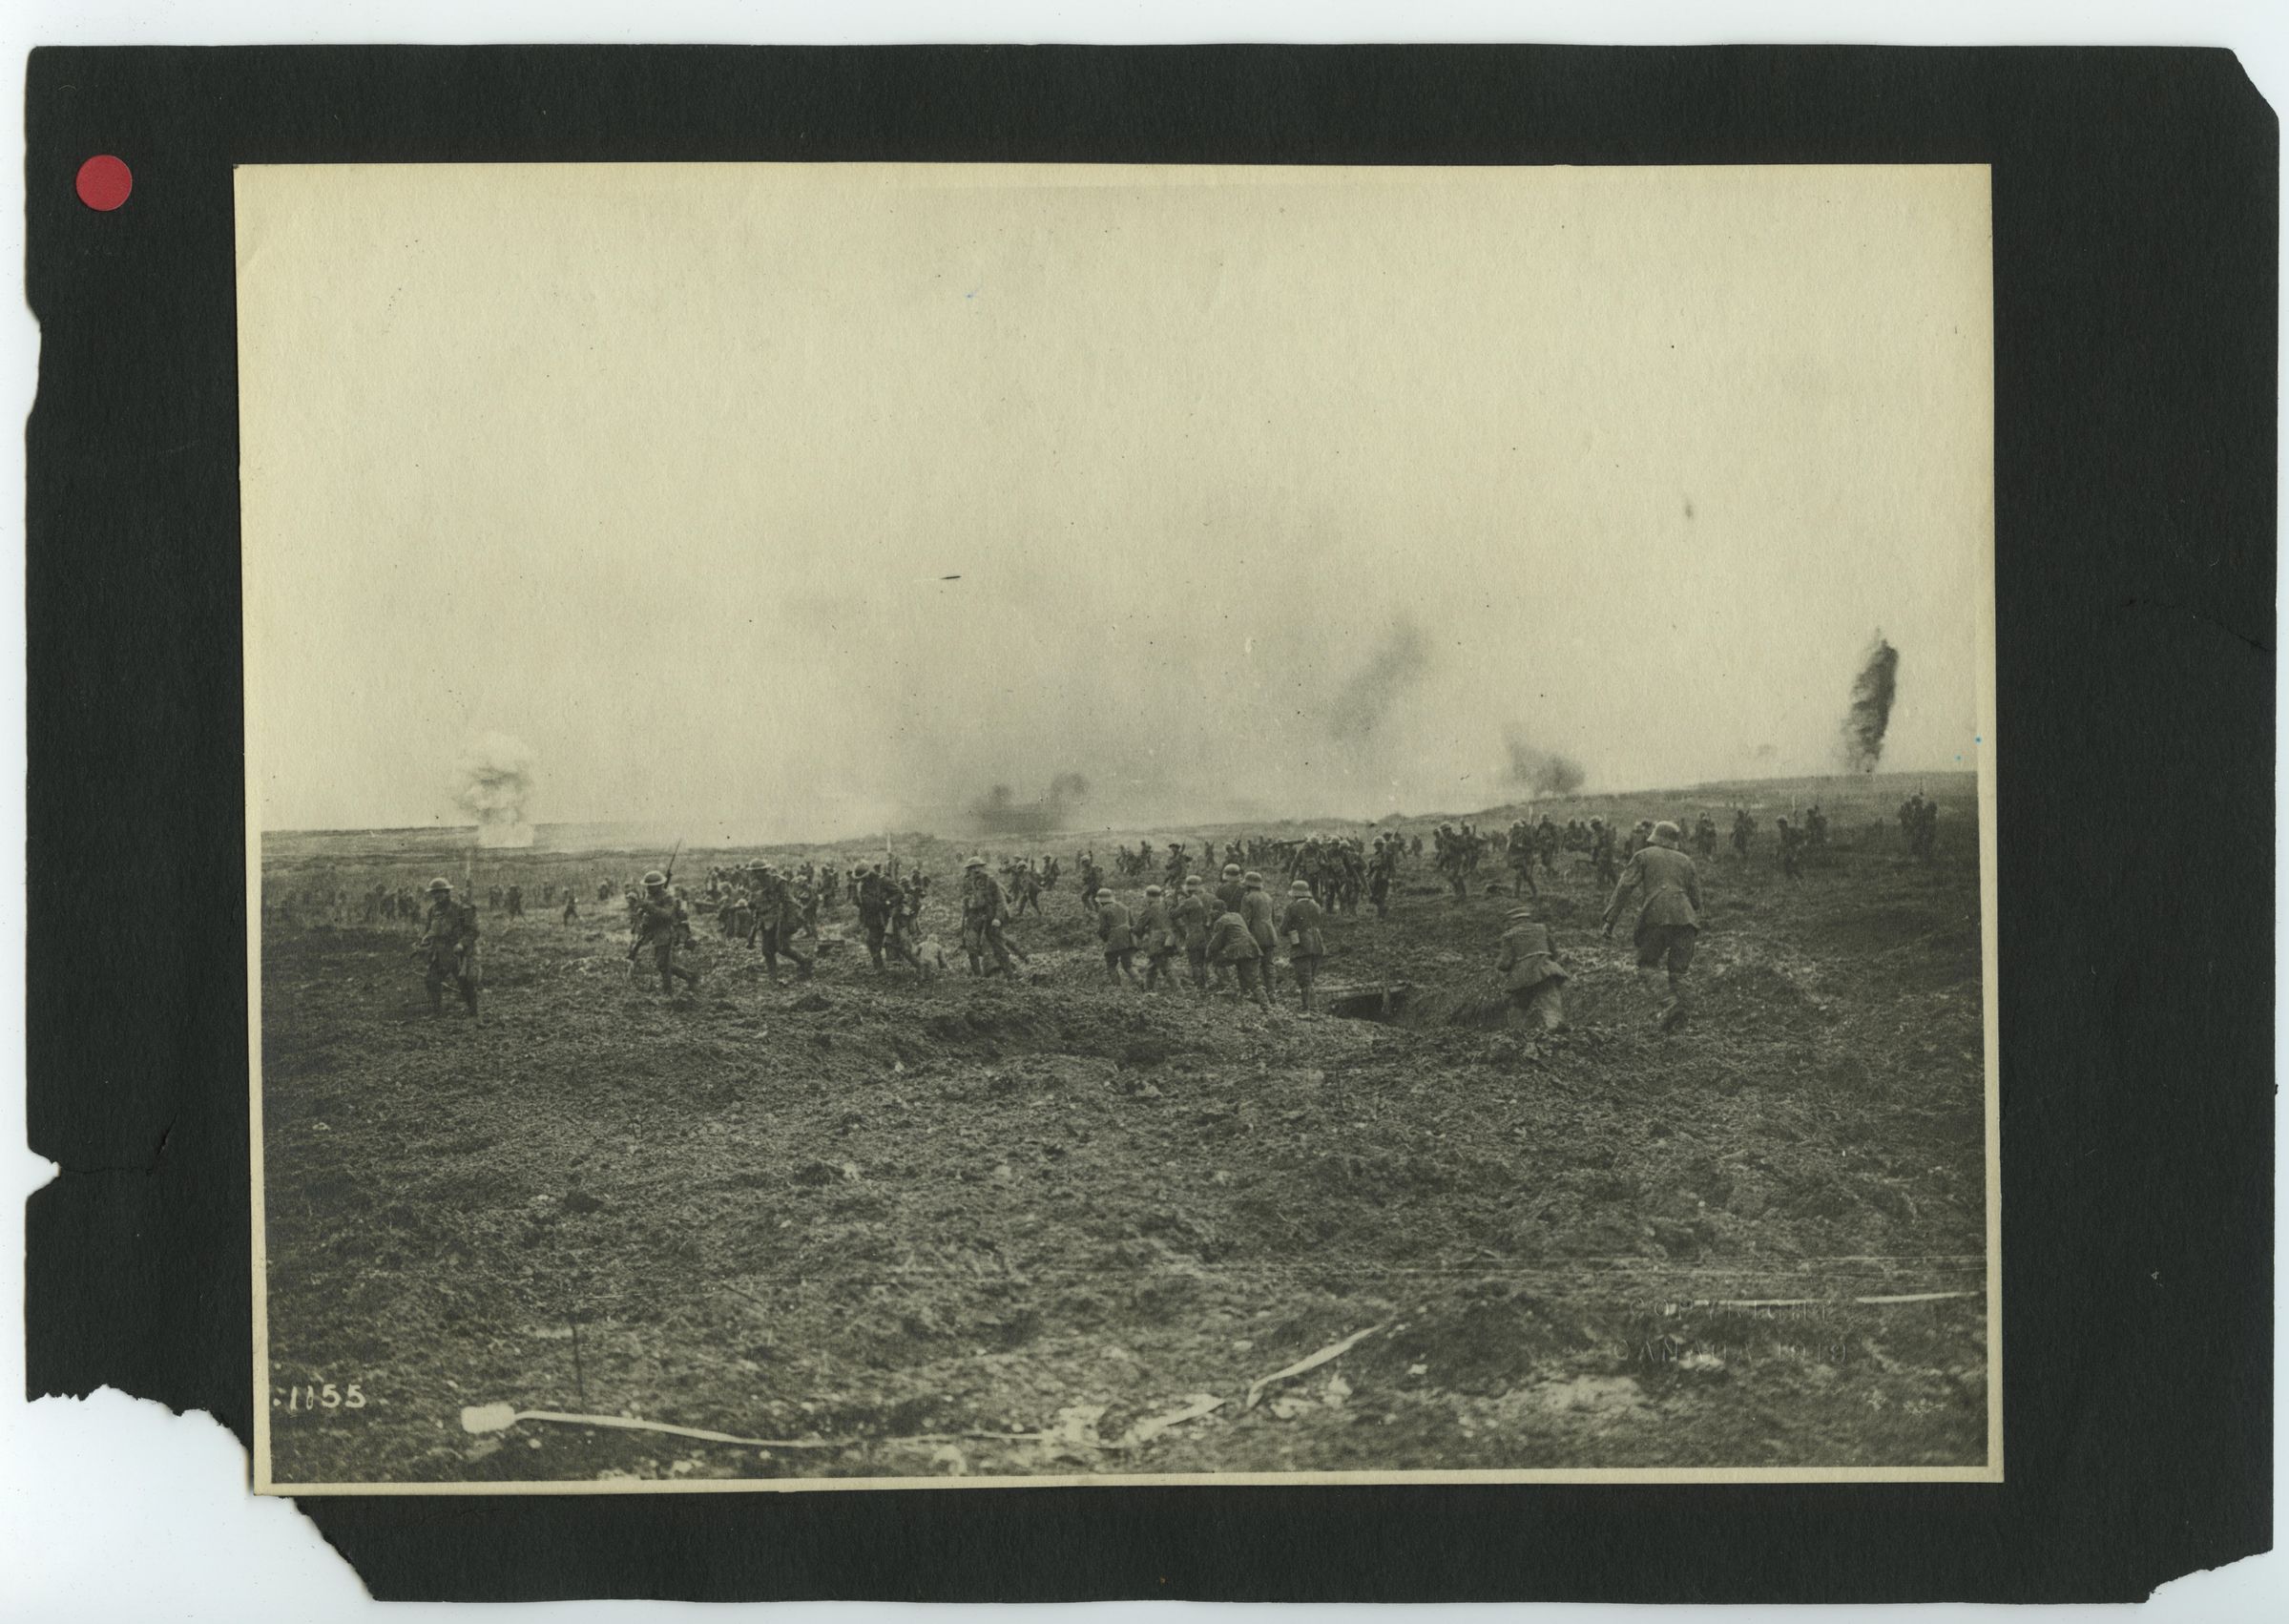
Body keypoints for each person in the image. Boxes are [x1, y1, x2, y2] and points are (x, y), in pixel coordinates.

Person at [1602, 821, 1702, 1031]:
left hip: (1657, 915)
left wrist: (1610, 920)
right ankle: (1682, 1023)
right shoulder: (1687, 861)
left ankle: (1670, 1004)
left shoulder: (1644, 855)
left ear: (1655, 837)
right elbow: (1696, 901)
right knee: (1679, 973)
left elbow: (1624, 887)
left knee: (1646, 965)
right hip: (1687, 919)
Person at [1496, 904, 1570, 1032]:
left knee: (1518, 1006)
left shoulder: (1509, 936)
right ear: (1527, 918)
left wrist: (1499, 966)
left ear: (1515, 921)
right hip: (1545, 970)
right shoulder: (1542, 929)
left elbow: (1505, 963)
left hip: (1522, 976)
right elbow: (1554, 952)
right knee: (1550, 1001)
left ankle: (1517, 1034)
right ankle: (1556, 1027)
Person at [418, 877, 480, 1019]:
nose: (437, 896)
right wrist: (423, 944)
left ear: (447, 893)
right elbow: (428, 931)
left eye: (440, 892)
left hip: (458, 954)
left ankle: (473, 1013)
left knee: (465, 983)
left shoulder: (460, 909)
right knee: (431, 979)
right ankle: (437, 1012)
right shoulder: (432, 911)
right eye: (434, 893)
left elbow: (473, 931)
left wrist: (462, 944)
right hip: (440, 954)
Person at [633, 869, 701, 997]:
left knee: (662, 964)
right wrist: (642, 911)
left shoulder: (668, 898)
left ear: (659, 886)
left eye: (651, 886)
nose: (648, 888)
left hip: (665, 931)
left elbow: (667, 915)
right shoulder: (650, 896)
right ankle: (689, 977)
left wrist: (648, 906)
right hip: (653, 931)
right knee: (662, 963)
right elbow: (648, 910)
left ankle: (669, 990)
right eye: (647, 886)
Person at [744, 860, 814, 983]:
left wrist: (791, 920)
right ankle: (773, 979)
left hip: (781, 918)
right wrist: (752, 904)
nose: (755, 874)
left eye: (758, 872)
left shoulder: (778, 881)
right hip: (765, 920)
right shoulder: (755, 885)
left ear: (764, 871)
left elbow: (789, 902)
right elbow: (753, 902)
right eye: (753, 872)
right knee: (767, 951)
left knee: (783, 948)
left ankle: (805, 962)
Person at [1205, 895, 1272, 1010]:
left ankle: (1228, 986)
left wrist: (1208, 954)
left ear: (1218, 911)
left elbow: (1215, 943)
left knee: (1217, 961)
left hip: (1237, 950)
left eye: (1213, 910)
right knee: (1253, 979)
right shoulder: (1236, 915)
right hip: (1252, 948)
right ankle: (1262, 1005)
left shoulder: (1221, 921)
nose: (1211, 913)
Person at [960, 856, 1015, 978]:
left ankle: (1010, 976)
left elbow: (1001, 901)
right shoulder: (966, 883)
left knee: (999, 947)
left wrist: (998, 918)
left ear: (982, 868)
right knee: (970, 946)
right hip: (974, 918)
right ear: (969, 870)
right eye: (972, 868)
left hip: (990, 917)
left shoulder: (990, 881)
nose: (975, 870)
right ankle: (978, 977)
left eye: (978, 867)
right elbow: (965, 902)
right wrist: (964, 919)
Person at [1279, 878, 1327, 1012]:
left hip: (1302, 946)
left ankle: (1308, 1009)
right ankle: (1313, 1009)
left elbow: (1284, 929)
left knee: (1304, 979)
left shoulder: (1292, 907)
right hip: (1318, 944)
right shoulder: (1316, 906)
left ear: (1295, 894)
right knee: (1311, 979)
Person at [1239, 871, 1280, 990]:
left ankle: (1257, 992)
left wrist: (1243, 937)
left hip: (1255, 935)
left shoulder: (1248, 898)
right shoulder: (1268, 897)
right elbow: (1273, 918)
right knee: (1269, 964)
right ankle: (1271, 992)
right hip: (1270, 934)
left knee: (1253, 966)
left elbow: (1245, 920)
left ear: (1248, 885)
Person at [1173, 874, 1213, 991]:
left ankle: (1200, 987)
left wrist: (1171, 904)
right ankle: (1212, 984)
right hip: (1210, 934)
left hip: (1194, 934)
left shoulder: (1189, 901)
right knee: (1207, 961)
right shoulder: (1212, 897)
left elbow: (1174, 914)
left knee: (1195, 962)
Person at [1094, 888, 1140, 986]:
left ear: (1101, 901)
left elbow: (1103, 928)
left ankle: (1117, 989)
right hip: (1128, 938)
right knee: (1128, 965)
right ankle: (1141, 983)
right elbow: (1133, 924)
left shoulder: (1103, 910)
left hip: (1115, 939)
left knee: (1111, 965)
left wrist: (1105, 938)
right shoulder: (1125, 907)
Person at [1135, 883, 1176, 990]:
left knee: (1165, 966)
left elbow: (1139, 927)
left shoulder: (1150, 909)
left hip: (1157, 940)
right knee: (1152, 966)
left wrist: (1140, 934)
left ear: (1149, 897)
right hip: (1169, 938)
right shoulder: (1165, 906)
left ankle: (1178, 990)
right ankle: (1148, 989)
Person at [856, 862, 896, 970]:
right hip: (873, 919)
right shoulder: (862, 886)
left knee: (898, 945)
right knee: (872, 942)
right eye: (860, 879)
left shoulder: (882, 880)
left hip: (885, 917)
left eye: (863, 878)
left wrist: (888, 902)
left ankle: (920, 965)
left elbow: (899, 893)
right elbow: (863, 905)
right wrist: (862, 919)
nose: (862, 880)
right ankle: (879, 969)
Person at [1778, 816, 1804, 882]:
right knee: (1787, 864)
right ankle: (1792, 878)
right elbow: (1781, 843)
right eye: (1779, 823)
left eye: (1780, 823)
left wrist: (1793, 843)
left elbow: (1800, 837)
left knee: (1792, 864)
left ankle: (1800, 878)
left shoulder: (1790, 830)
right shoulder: (1782, 832)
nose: (1779, 825)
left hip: (1793, 850)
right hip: (1788, 850)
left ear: (1785, 823)